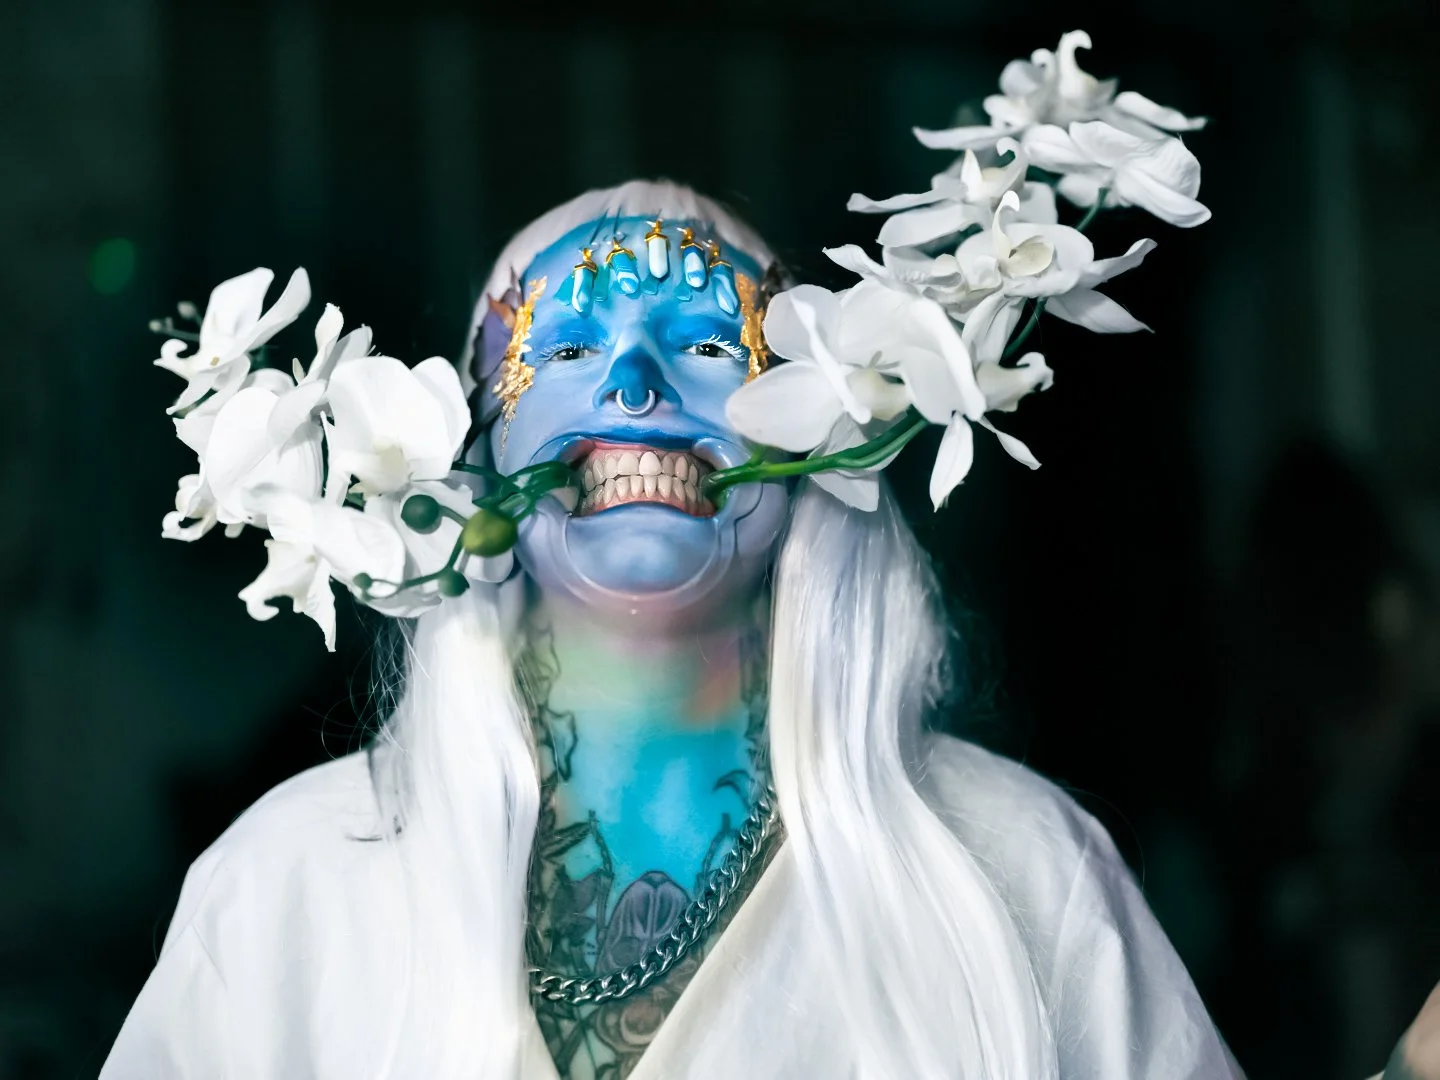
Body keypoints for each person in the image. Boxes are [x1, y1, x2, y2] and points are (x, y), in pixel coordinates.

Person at [101, 181, 1244, 1079]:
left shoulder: (1017, 866)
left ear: (823, 445)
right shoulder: (289, 882)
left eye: (704, 345)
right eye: (565, 352)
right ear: (470, 450)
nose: (637, 388)